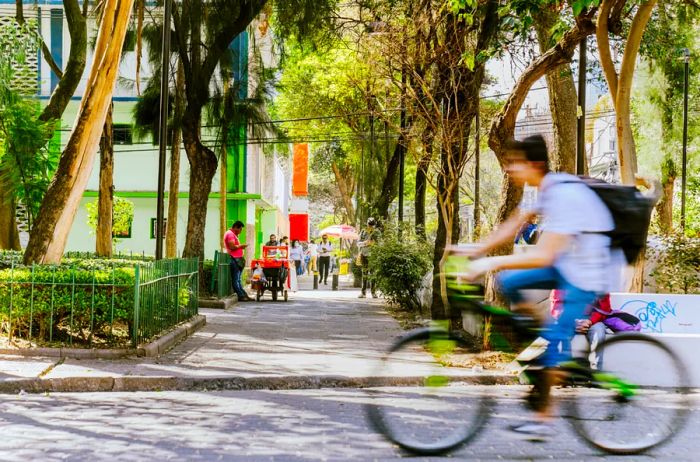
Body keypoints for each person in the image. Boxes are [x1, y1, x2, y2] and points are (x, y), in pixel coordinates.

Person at [456, 134, 617, 439]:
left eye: (515, 163)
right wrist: (474, 251)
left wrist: (490, 263)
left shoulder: (563, 196)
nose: (510, 170)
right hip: (568, 265)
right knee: (508, 282)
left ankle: (543, 420)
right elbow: (513, 225)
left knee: (554, 343)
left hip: (588, 273)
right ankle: (542, 332)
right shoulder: (544, 190)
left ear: (535, 164)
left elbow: (543, 255)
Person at [223, 220, 251, 301]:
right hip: (234, 259)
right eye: (240, 229)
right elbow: (232, 247)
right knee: (236, 279)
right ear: (236, 227)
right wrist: (241, 246)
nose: (240, 231)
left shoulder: (233, 234)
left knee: (238, 279)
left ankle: (244, 295)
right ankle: (241, 296)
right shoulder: (230, 234)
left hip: (237, 259)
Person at [358, 217, 380, 298]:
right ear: (367, 224)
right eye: (369, 224)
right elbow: (358, 243)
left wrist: (374, 243)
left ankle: (373, 292)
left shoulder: (377, 232)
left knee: (373, 274)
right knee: (364, 274)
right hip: (364, 254)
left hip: (373, 255)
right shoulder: (363, 231)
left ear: (374, 225)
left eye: (372, 225)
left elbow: (380, 243)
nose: (371, 226)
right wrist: (365, 243)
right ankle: (363, 293)